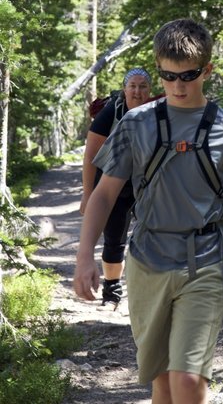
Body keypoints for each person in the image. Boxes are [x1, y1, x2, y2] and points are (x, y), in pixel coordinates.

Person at [74, 18, 223, 404]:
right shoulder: (136, 125)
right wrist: (85, 256)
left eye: (187, 75)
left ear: (207, 70)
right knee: (163, 382)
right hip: (148, 261)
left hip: (203, 262)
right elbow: (104, 194)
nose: (177, 86)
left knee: (187, 379)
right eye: (167, 77)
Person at [80, 67, 152, 307]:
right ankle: (112, 291)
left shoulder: (158, 112)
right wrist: (87, 196)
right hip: (112, 186)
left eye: (142, 86)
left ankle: (150, 289)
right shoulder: (110, 113)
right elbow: (90, 156)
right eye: (132, 86)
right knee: (114, 239)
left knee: (152, 236)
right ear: (124, 89)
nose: (137, 91)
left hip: (145, 186)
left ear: (150, 90)